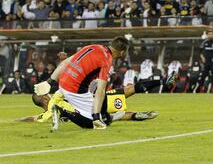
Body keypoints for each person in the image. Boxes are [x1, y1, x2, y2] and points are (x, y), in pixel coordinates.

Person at [34, 36, 175, 130]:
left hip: (65, 83)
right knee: (96, 122)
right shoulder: (106, 60)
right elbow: (100, 90)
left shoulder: (93, 47)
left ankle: (161, 82)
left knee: (122, 94)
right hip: (76, 90)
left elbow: (65, 62)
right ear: (122, 52)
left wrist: (50, 81)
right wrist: (96, 117)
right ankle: (61, 109)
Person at [18, 85, 158, 124]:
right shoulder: (56, 98)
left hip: (86, 114)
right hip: (93, 101)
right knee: (124, 92)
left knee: (114, 116)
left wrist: (19, 120)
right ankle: (156, 83)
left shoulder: (48, 114)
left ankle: (135, 115)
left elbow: (35, 118)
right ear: (44, 98)